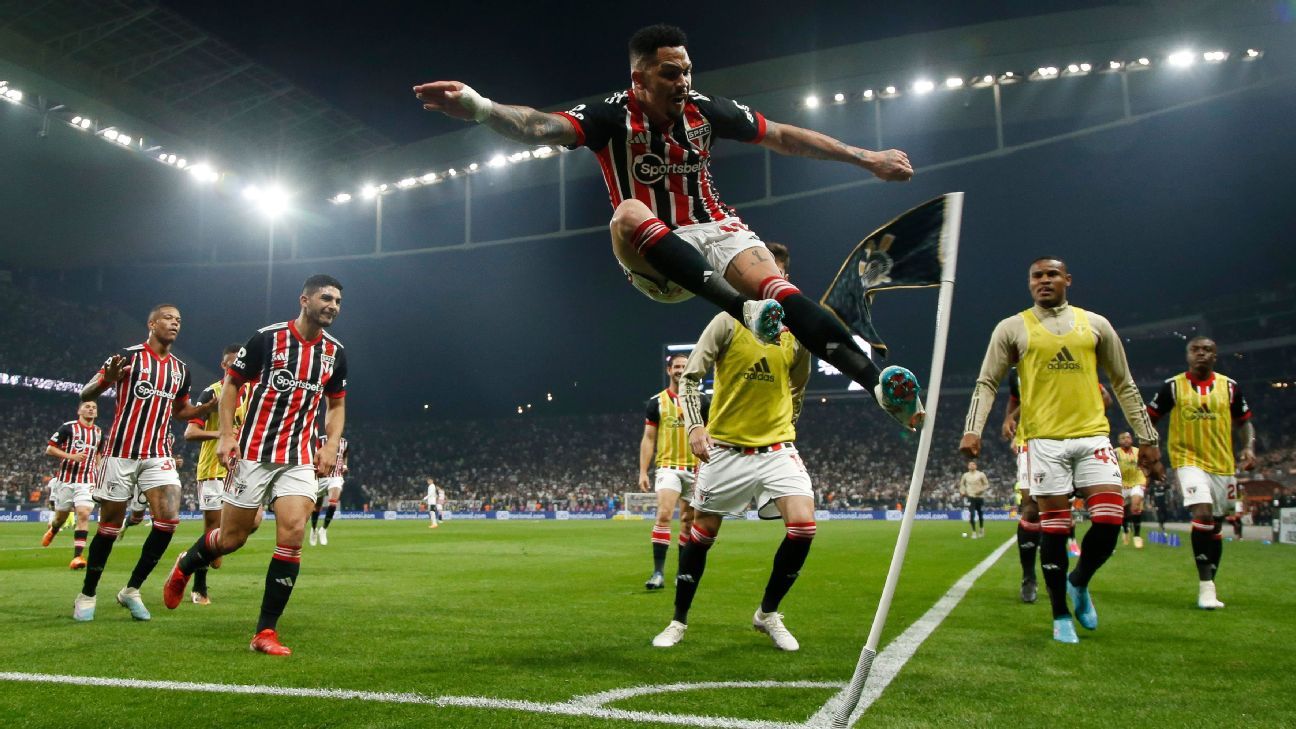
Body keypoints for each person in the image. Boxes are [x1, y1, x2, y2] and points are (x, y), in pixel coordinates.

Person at [412, 23, 922, 432]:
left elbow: (785, 136)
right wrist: (479, 107)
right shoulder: (610, 115)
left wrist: (868, 157)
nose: (682, 82)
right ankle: (743, 310)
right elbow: (538, 126)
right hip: (655, 253)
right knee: (628, 211)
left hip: (716, 227)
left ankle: (880, 385)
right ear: (640, 80)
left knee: (781, 290)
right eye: (670, 74)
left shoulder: (705, 110)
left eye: (687, 72)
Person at [960, 257, 1162, 643]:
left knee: (1108, 521)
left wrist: (1148, 438)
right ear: (1029, 283)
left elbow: (1124, 384)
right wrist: (973, 429)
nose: (1045, 281)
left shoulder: (1096, 325)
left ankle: (1079, 580)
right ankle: (1059, 615)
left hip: (1092, 437)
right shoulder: (1012, 328)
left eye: (1052, 274)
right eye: (1037, 276)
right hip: (1043, 441)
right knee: (1054, 527)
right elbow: (987, 381)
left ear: (1068, 279)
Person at [163, 274, 348, 656]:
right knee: (232, 538)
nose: (333, 306)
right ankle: (185, 564)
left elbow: (337, 403)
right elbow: (231, 385)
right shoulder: (267, 339)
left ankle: (265, 632)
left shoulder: (335, 352)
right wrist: (227, 435)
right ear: (304, 300)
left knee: (293, 533)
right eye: (326, 298)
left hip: (297, 457)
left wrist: (329, 444)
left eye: (338, 301)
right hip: (253, 454)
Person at [651, 242, 814, 651]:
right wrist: (694, 427)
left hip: (777, 448)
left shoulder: (797, 332)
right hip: (725, 450)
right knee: (702, 533)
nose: (758, 277)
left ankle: (768, 614)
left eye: (768, 270)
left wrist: (788, 422)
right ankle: (678, 621)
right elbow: (690, 376)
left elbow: (799, 386)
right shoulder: (727, 320)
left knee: (804, 526)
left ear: (783, 279)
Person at [71, 304, 215, 622]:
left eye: (179, 320)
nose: (175, 323)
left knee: (168, 521)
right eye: (168, 318)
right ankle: (87, 593)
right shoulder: (129, 356)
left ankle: (132, 590)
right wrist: (105, 381)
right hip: (120, 452)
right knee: (108, 527)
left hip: (158, 453)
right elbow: (86, 393)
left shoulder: (181, 369)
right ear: (151, 323)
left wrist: (205, 409)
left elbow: (180, 411)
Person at [1146, 336, 1255, 610]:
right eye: (1195, 350)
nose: (1201, 354)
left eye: (1207, 350)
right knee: (1203, 514)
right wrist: (1151, 456)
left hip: (1222, 464)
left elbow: (1245, 422)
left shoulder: (1229, 387)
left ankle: (1210, 586)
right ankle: (1206, 586)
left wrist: (1249, 448)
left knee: (1216, 525)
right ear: (1188, 355)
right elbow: (1150, 419)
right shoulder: (1172, 386)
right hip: (1187, 460)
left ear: (1215, 356)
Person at [184, 344, 257, 604]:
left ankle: (191, 556)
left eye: (239, 362)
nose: (234, 366)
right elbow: (190, 433)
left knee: (254, 522)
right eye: (230, 363)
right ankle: (199, 587)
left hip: (242, 471)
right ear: (223, 366)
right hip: (213, 470)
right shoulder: (211, 393)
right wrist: (223, 434)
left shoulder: (254, 394)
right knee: (212, 529)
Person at [639, 352, 710, 590]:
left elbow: (711, 433)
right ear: (669, 370)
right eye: (676, 366)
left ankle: (682, 572)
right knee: (664, 514)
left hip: (696, 467)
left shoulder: (702, 400)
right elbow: (648, 439)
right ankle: (658, 573)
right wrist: (642, 471)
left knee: (689, 521)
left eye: (684, 366)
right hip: (668, 466)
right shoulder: (656, 402)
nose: (680, 370)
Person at [42, 401, 102, 569]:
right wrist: (71, 456)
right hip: (66, 480)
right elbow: (50, 449)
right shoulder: (68, 428)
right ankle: (53, 530)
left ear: (96, 413)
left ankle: (78, 557)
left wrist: (99, 471)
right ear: (79, 410)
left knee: (83, 513)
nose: (91, 409)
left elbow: (98, 453)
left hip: (87, 480)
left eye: (94, 408)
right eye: (87, 406)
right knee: (60, 517)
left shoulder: (98, 432)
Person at [309, 434, 348, 545]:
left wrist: (344, 465)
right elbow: (315, 455)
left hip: (336, 476)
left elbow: (344, 456)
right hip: (322, 476)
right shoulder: (321, 440)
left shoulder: (344, 442)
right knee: (317, 507)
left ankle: (324, 529)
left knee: (333, 504)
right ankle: (313, 529)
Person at [1114, 431, 1148, 549]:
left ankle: (1137, 536)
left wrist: (1145, 479)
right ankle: (1125, 529)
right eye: (1123, 438)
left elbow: (1145, 466)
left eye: (1128, 437)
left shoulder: (1138, 452)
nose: (1126, 440)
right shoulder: (1115, 453)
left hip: (1136, 483)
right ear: (1119, 441)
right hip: (1121, 485)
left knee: (1135, 506)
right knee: (1122, 511)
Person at [958, 460, 989, 538]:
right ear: (968, 466)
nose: (971, 465)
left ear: (976, 466)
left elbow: (986, 485)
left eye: (973, 464)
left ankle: (981, 528)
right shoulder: (965, 475)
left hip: (980, 497)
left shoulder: (981, 474)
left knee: (980, 514)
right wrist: (962, 491)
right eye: (970, 464)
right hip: (970, 497)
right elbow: (962, 485)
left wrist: (981, 490)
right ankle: (974, 532)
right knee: (972, 514)